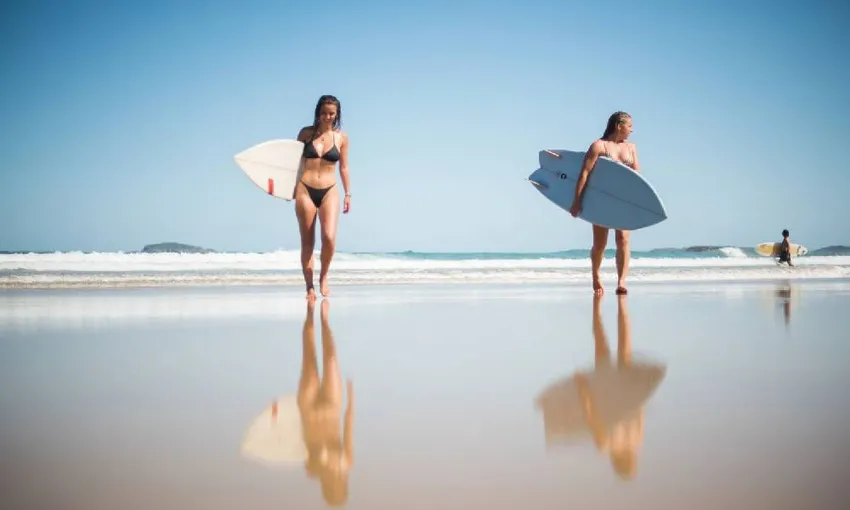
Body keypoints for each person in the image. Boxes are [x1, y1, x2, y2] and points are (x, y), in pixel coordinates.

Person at [569, 111, 641, 296]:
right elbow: (584, 173)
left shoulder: (631, 148)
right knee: (600, 244)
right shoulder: (598, 146)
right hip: (601, 200)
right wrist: (577, 201)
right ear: (619, 125)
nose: (632, 130)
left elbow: (638, 178)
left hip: (623, 201)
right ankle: (595, 275)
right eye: (629, 126)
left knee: (623, 240)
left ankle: (621, 281)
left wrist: (637, 202)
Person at [295, 95, 351, 301]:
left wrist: (348, 194)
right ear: (318, 112)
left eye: (332, 113)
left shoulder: (341, 138)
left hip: (330, 190)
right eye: (324, 113)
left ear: (337, 115)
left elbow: (344, 167)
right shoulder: (305, 134)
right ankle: (309, 287)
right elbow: (292, 162)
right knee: (307, 242)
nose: (327, 117)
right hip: (304, 189)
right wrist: (285, 188)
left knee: (328, 237)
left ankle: (324, 276)